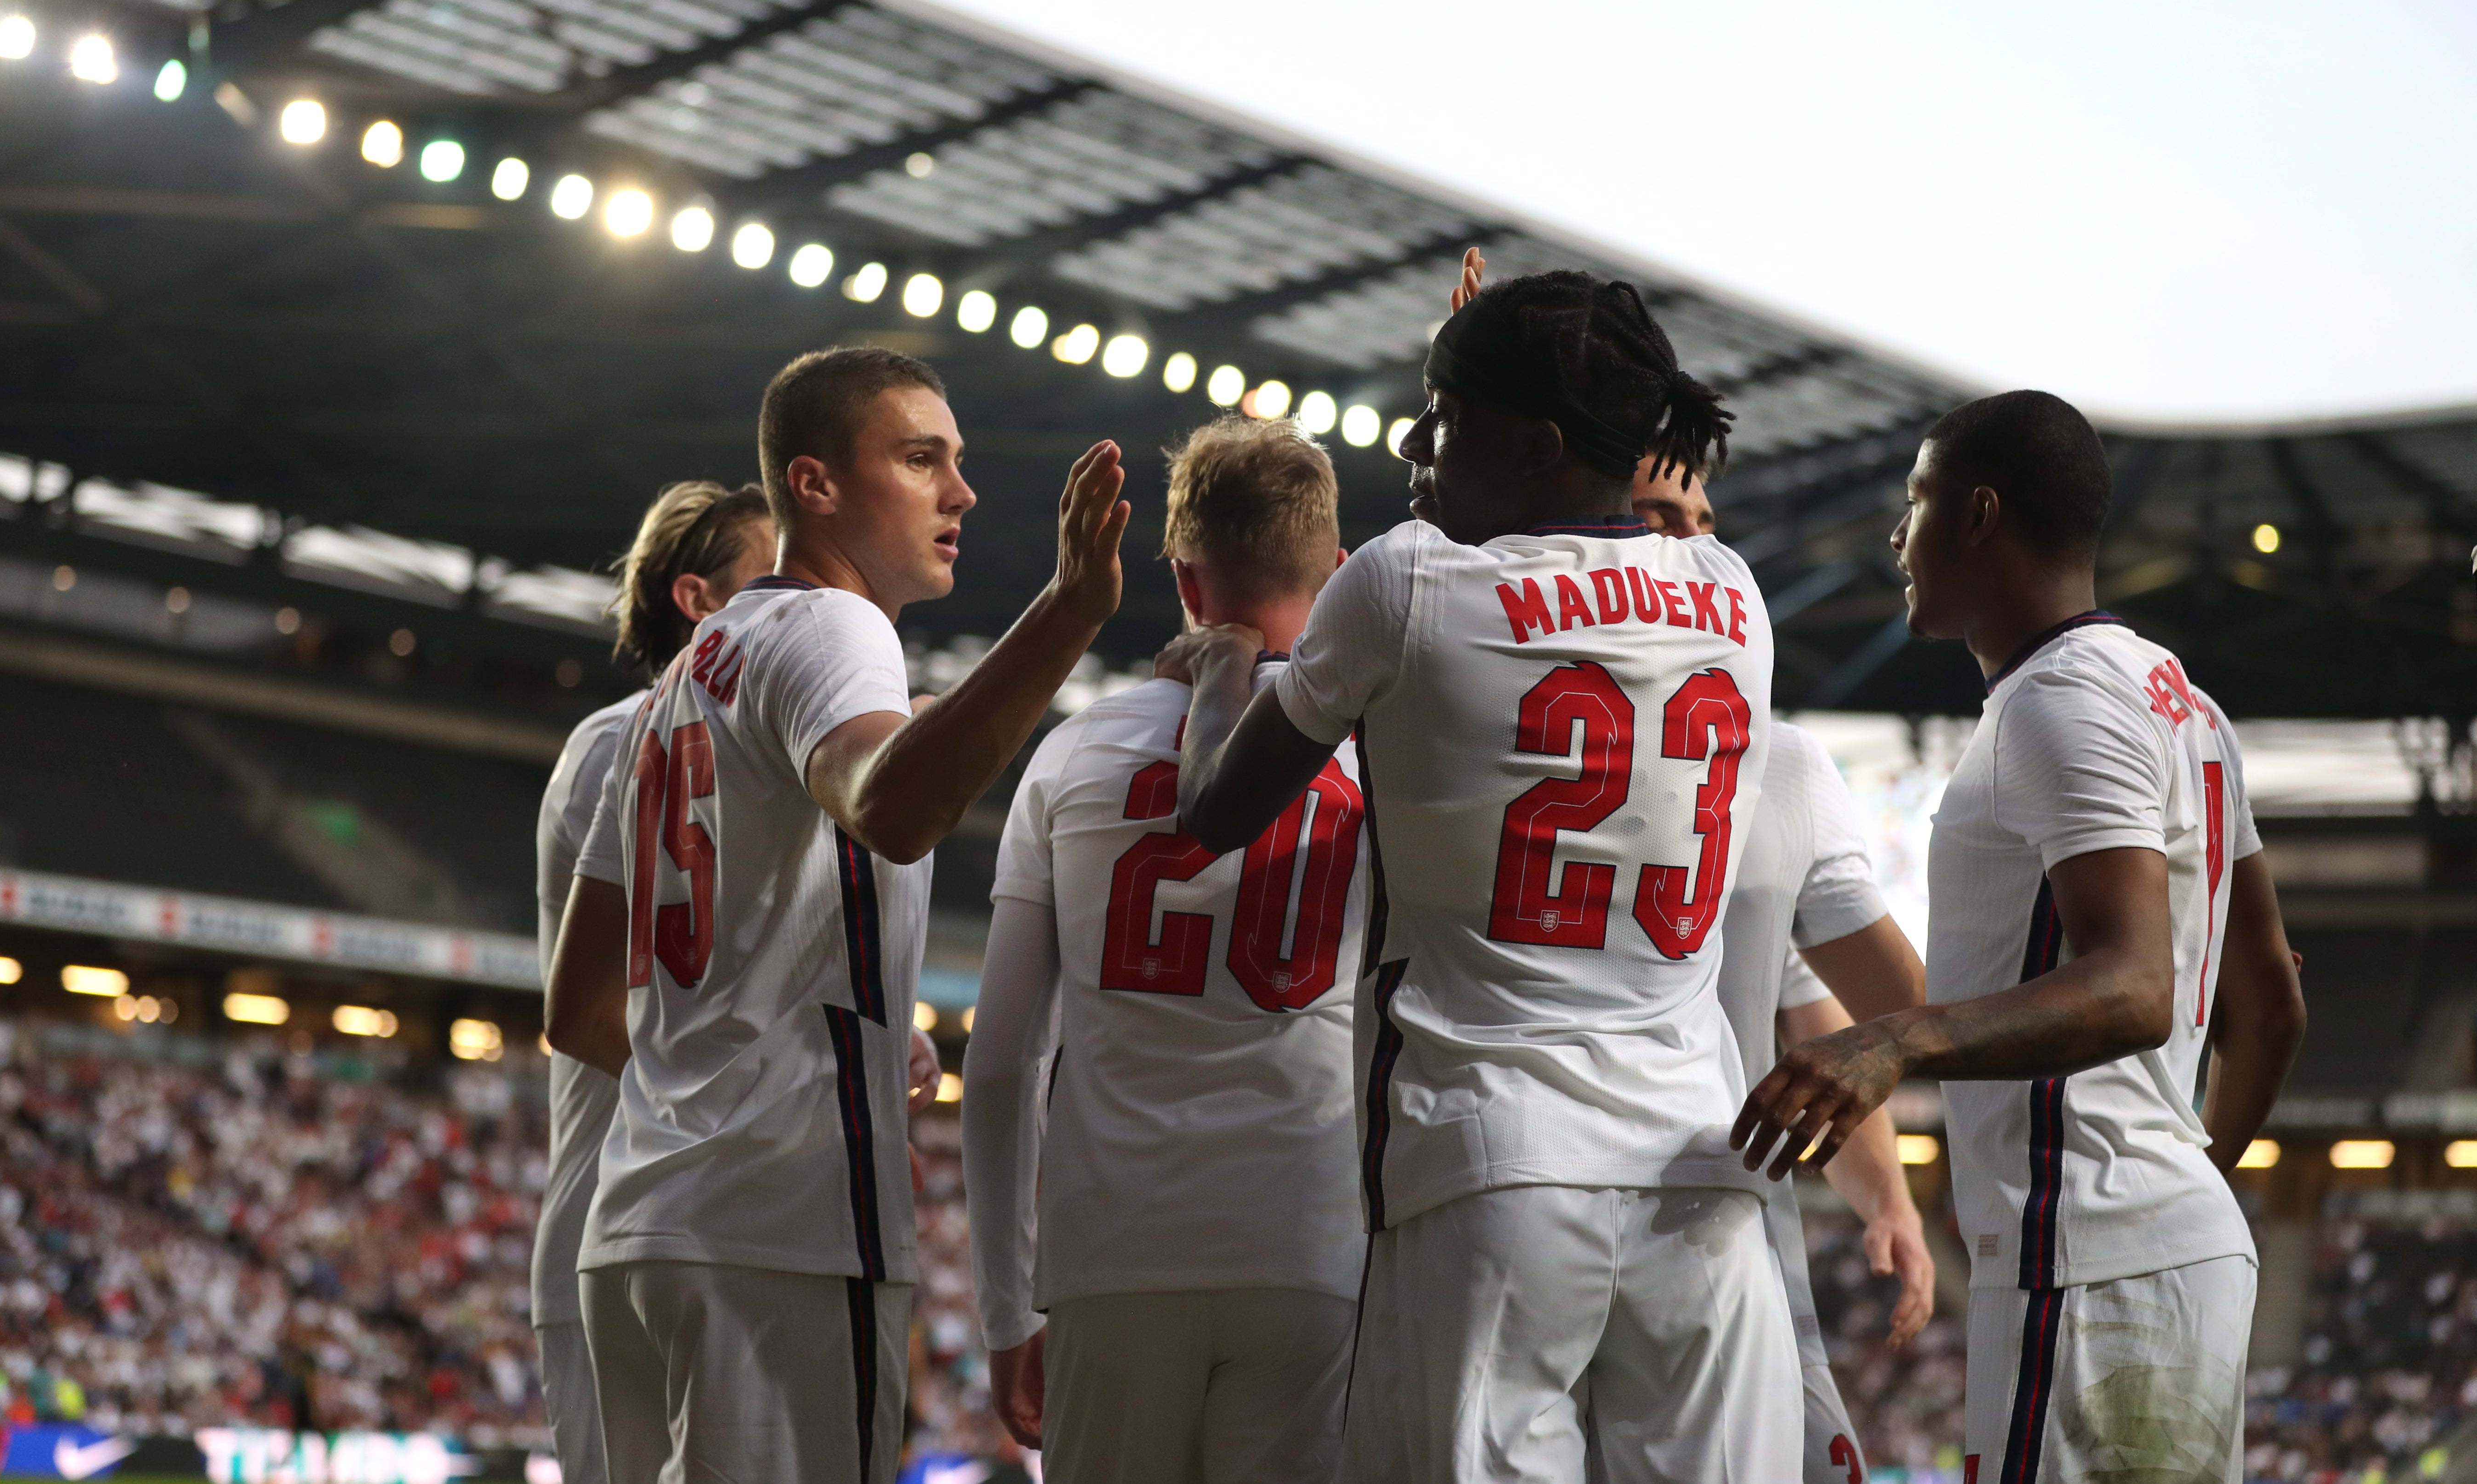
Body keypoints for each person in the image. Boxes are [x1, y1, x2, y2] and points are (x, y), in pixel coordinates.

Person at [1167, 270, 1799, 1484]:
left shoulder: (1404, 582)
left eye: (1441, 414)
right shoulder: (1735, 597)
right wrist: (1491, 374)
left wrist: (1221, 660)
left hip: (1496, 1168)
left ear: (1534, 442)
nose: (1414, 444)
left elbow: (1215, 808)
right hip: (1699, 1175)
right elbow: (1584, 555)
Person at [544, 346, 1130, 1484]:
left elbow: (580, 1003)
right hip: (780, 1230)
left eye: (956, 463)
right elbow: (895, 806)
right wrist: (1067, 614)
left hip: (641, 1228)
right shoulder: (835, 628)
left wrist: (784, 1024)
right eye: (921, 460)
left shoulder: (684, 676)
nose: (960, 493)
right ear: (814, 486)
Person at [1731, 390, 2306, 1483]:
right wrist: (2193, 1181)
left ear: (1981, 514)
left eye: (1918, 500)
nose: (1899, 535)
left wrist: (1895, 1040)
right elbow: (2271, 1001)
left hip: (2086, 1260)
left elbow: (2137, 986)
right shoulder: (2183, 702)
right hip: (2153, 1248)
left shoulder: (2060, 703)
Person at [963, 417, 1370, 1484]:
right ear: (1336, 570)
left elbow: (1002, 1062)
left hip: (1117, 1253)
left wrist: (1007, 1310)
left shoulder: (1072, 753)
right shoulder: (1386, 759)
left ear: (1187, 583)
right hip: (1314, 1244)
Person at [1635, 457, 1935, 1484]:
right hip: (1662, 1215)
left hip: (1709, 1215)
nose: (1698, 547)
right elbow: (1919, 1010)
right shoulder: (1777, 761)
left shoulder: (1784, 765)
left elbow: (1818, 1019)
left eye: (1706, 521)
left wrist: (1889, 1200)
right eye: (1658, 516)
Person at [530, 479, 775, 1484]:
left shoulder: (755, 761)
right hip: (616, 1230)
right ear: (697, 601)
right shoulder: (624, 741)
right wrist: (778, 1085)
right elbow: (586, 1019)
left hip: (718, 1225)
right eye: (769, 583)